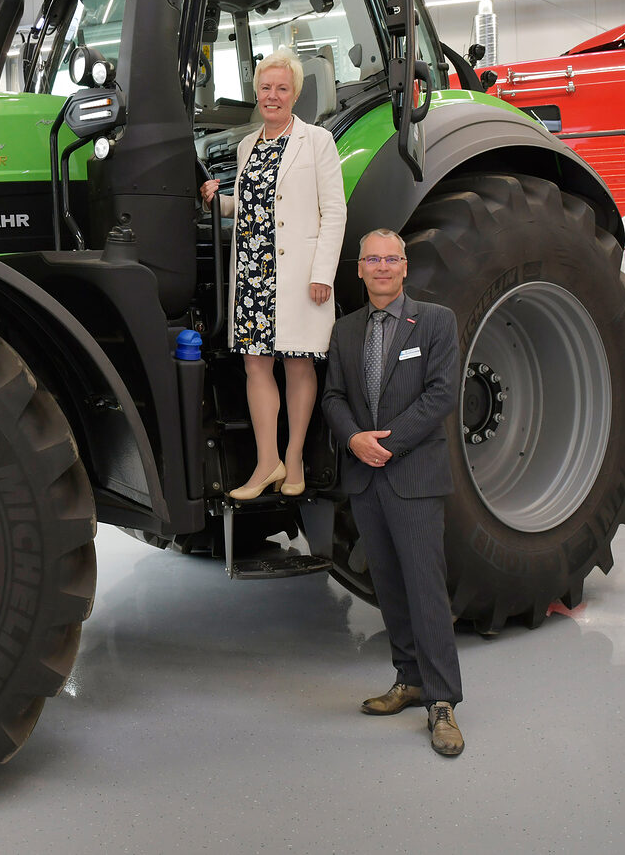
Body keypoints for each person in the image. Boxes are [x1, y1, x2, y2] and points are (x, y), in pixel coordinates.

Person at [320, 228, 465, 757]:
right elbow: (333, 395)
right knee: (387, 585)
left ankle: (443, 702)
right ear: (358, 269)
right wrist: (354, 439)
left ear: (405, 267)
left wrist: (388, 443)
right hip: (366, 477)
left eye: (391, 258)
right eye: (372, 259)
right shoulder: (344, 331)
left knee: (426, 588)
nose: (382, 267)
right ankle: (408, 679)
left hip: (413, 476)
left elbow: (442, 392)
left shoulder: (435, 322)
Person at [200, 48, 346, 501]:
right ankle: (268, 462)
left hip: (299, 274)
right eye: (266, 88)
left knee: (298, 363)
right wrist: (217, 198)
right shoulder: (249, 145)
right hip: (254, 270)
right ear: (257, 93)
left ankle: (296, 456)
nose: (273, 96)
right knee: (256, 364)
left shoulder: (317, 141)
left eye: (282, 88)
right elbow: (252, 206)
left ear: (296, 94)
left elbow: (334, 212)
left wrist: (323, 271)